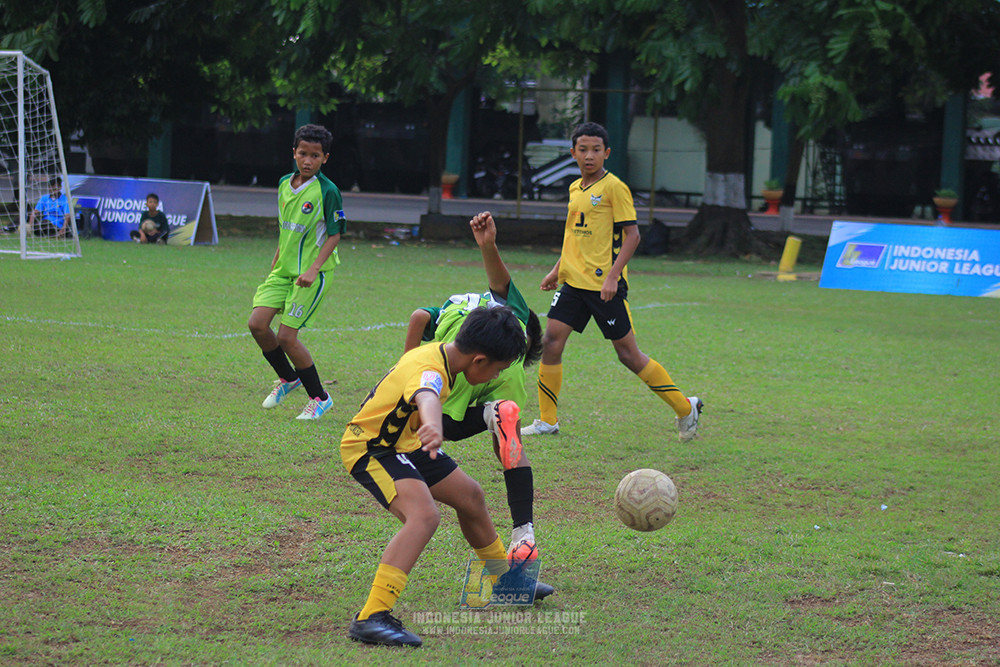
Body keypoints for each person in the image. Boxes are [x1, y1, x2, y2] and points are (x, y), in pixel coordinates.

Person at [343, 307, 554, 648]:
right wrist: (433, 422)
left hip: (406, 443)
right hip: (372, 449)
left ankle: (503, 580)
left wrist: (427, 426)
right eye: (497, 370)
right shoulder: (432, 369)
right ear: (479, 360)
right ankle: (372, 616)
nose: (494, 378)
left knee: (470, 495)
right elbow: (427, 393)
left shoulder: (444, 355)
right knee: (424, 516)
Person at [522, 121, 704, 441]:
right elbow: (575, 239)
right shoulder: (575, 188)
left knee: (628, 355)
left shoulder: (614, 188)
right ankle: (547, 421)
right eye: (583, 150)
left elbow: (632, 236)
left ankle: (684, 407)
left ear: (606, 153)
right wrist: (557, 270)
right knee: (550, 343)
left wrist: (612, 277)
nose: (589, 156)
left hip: (605, 288)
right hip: (574, 285)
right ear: (573, 153)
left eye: (595, 150)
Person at [403, 211, 543, 563]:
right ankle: (523, 530)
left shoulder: (463, 309)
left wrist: (405, 367)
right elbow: (509, 451)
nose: (501, 374)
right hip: (434, 403)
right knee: (503, 431)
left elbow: (420, 316)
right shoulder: (509, 358)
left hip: (430, 396)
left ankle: (507, 561)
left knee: (462, 492)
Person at [247, 124, 345, 420]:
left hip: (311, 276)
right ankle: (289, 379)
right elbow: (285, 231)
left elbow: (335, 234)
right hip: (282, 272)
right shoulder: (283, 185)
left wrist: (314, 269)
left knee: (287, 338)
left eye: (315, 156)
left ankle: (320, 398)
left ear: (325, 158)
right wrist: (275, 265)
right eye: (303, 153)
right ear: (294, 153)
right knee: (257, 324)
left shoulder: (328, 191)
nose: (307, 160)